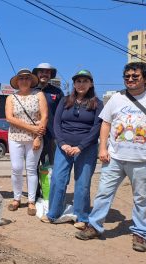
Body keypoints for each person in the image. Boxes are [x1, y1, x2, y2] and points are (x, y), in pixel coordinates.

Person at [75, 62, 146, 253]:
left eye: (135, 76)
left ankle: (140, 233)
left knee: (141, 198)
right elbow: (106, 123)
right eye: (127, 76)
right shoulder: (116, 98)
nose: (130, 79)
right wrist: (103, 148)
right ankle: (95, 226)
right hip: (114, 157)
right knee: (103, 193)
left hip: (142, 159)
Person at [42, 70, 103, 227]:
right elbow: (56, 123)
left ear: (91, 84)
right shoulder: (65, 100)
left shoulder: (97, 103)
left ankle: (82, 216)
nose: (81, 84)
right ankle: (53, 213)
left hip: (86, 148)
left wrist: (80, 147)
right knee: (58, 180)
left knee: (82, 183)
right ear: (74, 84)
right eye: (78, 81)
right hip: (64, 147)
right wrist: (62, 143)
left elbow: (97, 128)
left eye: (84, 81)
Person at [5, 69, 47, 215]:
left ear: (31, 81)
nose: (24, 81)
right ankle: (16, 198)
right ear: (17, 81)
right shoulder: (11, 98)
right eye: (21, 78)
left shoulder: (39, 95)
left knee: (31, 169)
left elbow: (44, 117)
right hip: (15, 137)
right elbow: (10, 118)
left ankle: (31, 201)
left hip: (34, 140)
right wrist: (32, 128)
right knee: (16, 168)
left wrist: (37, 137)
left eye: (27, 78)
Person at [32, 63, 64, 199]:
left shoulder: (57, 92)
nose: (44, 74)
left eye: (47, 72)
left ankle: (49, 194)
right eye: (41, 72)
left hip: (51, 136)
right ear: (37, 74)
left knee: (50, 166)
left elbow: (62, 114)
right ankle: (35, 195)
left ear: (51, 75)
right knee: (32, 167)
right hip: (32, 135)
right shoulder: (31, 90)